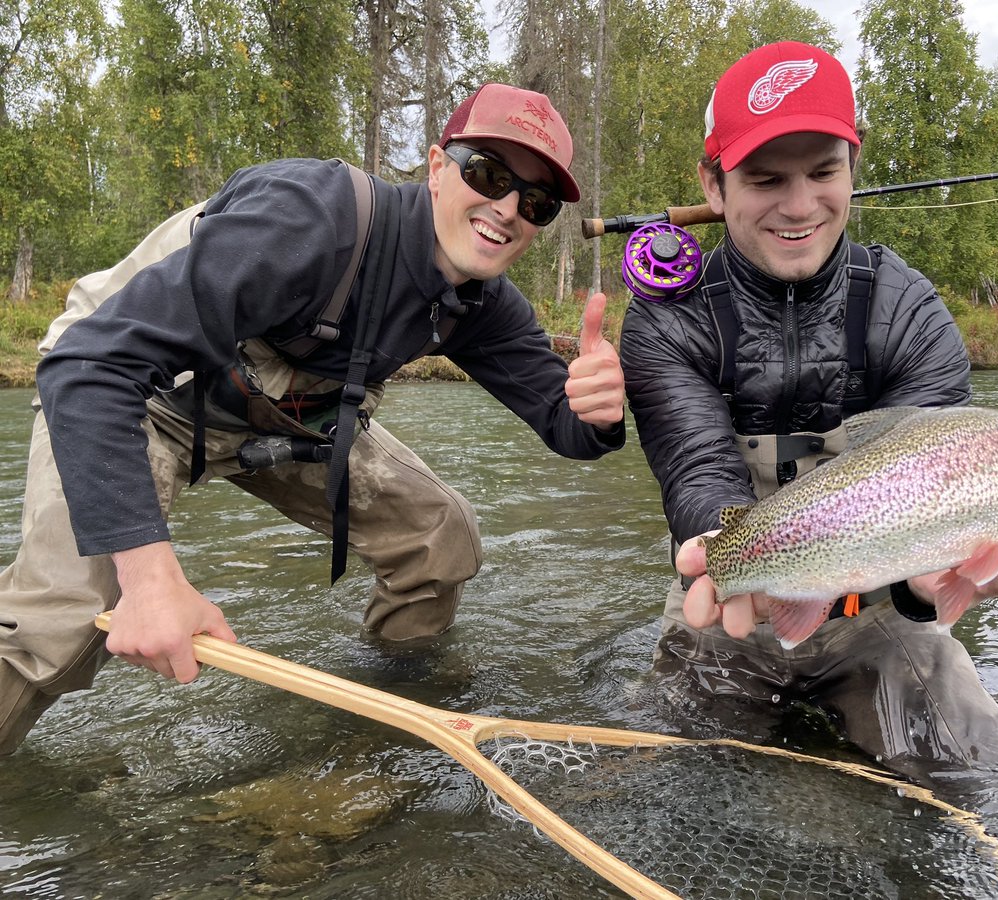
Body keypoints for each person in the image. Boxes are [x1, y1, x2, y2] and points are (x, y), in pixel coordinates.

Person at [0, 83, 626, 755]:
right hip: (137, 396)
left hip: (287, 423)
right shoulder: (312, 221)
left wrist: (598, 409)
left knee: (440, 534)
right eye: (488, 173)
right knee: (61, 625)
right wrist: (151, 581)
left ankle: (388, 716)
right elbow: (90, 365)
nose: (506, 209)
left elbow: (567, 427)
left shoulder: (480, 304)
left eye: (534, 202)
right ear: (439, 167)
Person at [619, 42, 998, 779]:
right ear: (714, 181)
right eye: (765, 179)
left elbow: (942, 485)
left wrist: (934, 589)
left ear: (852, 171)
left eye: (824, 172)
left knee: (988, 778)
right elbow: (698, 469)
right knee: (674, 778)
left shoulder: (908, 310)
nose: (799, 207)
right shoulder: (671, 320)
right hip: (733, 608)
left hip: (881, 619)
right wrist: (728, 559)